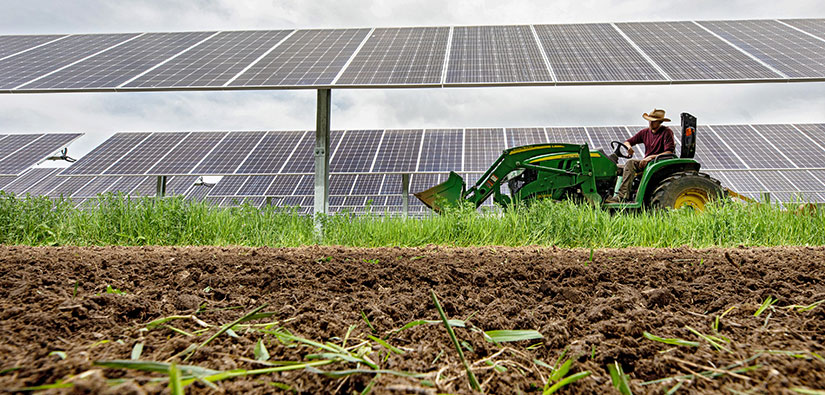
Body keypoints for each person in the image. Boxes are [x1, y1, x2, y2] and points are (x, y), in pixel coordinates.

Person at [605, 109, 675, 203]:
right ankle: (608, 194)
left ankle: (622, 197)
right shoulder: (645, 132)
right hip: (646, 162)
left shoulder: (666, 132)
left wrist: (650, 157)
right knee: (615, 167)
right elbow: (628, 142)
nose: (650, 123)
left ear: (660, 122)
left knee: (630, 163)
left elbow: (669, 152)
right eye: (649, 121)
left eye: (653, 121)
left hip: (658, 163)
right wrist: (629, 147)